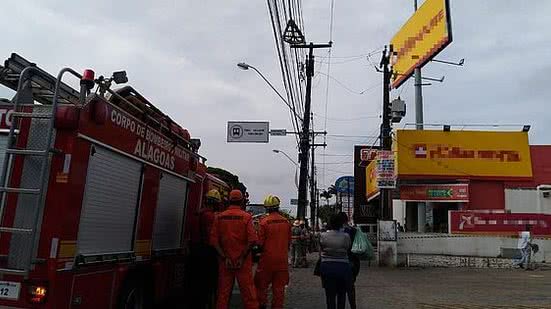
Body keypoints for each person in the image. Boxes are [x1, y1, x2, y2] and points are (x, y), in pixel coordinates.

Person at [210, 189, 258, 309]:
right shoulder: (246, 217)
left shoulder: (219, 217)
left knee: (223, 295)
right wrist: (241, 258)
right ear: (242, 201)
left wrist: (225, 257)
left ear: (229, 200)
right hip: (243, 263)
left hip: (225, 262)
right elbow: (252, 240)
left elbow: (214, 241)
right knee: (249, 295)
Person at [255, 195, 292, 309]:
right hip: (282, 261)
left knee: (262, 286)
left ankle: (262, 305)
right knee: (279, 289)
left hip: (267, 261)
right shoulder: (286, 222)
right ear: (278, 207)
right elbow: (288, 242)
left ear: (267, 208)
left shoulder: (264, 222)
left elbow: (260, 243)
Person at [196, 189, 223, 308]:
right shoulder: (210, 216)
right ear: (216, 203)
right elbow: (211, 237)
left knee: (200, 283)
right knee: (209, 282)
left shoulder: (200, 213)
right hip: (208, 253)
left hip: (197, 251)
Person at [319, 214, 353, 309]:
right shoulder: (346, 236)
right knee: (342, 294)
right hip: (343, 268)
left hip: (327, 267)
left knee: (330, 296)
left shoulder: (323, 236)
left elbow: (321, 250)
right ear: (340, 224)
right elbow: (348, 248)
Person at [338, 212, 359, 309]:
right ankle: (353, 306)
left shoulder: (337, 231)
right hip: (352, 261)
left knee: (341, 289)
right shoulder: (354, 230)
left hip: (340, 261)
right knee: (351, 287)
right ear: (347, 219)